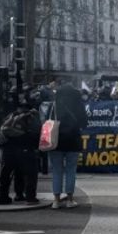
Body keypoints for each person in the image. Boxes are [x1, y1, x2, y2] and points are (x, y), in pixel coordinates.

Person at [50, 81, 88, 209]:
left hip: (56, 140)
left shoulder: (55, 104)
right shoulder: (78, 104)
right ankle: (70, 199)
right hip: (73, 140)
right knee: (71, 170)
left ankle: (56, 200)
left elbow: (47, 120)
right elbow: (84, 122)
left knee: (56, 170)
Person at [0, 98, 41, 205]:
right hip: (24, 147)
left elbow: (2, 130)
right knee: (29, 172)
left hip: (6, 147)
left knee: (5, 173)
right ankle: (28, 197)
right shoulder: (31, 116)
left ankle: (2, 198)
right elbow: (36, 133)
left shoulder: (10, 116)